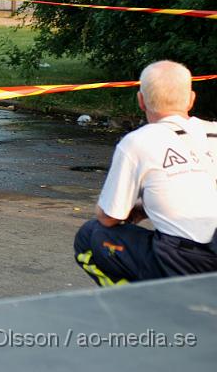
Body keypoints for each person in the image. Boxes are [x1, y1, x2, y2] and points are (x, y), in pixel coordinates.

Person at [74, 60, 217, 286]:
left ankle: (142, 310)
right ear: (191, 98)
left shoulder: (138, 142)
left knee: (90, 236)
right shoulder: (214, 132)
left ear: (141, 100)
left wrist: (141, 207)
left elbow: (109, 217)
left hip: (186, 260)